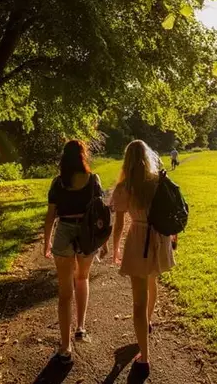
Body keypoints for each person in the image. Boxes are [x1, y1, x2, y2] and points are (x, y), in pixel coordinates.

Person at [111, 140, 176, 381]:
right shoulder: (158, 181)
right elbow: (169, 211)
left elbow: (118, 224)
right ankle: (147, 323)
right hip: (160, 238)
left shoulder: (124, 187)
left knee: (138, 301)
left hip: (139, 240)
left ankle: (145, 359)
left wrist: (115, 248)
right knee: (152, 282)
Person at [43, 140, 103, 365]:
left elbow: (51, 217)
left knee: (64, 291)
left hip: (64, 232)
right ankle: (81, 327)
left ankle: (65, 347)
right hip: (87, 234)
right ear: (82, 156)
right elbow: (100, 213)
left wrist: (46, 242)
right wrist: (103, 241)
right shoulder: (93, 180)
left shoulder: (58, 183)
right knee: (83, 278)